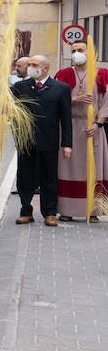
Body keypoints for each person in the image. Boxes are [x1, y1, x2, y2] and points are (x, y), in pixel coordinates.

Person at [12, 55, 74, 226]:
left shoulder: (60, 88)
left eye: (34, 65)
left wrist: (67, 144)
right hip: (26, 142)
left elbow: (66, 118)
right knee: (25, 178)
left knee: (49, 178)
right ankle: (26, 211)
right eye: (30, 64)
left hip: (49, 141)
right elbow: (14, 114)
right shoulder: (20, 87)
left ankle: (50, 213)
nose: (30, 67)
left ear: (46, 68)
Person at [53, 41, 108, 222]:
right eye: (73, 50)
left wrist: (99, 123)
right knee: (68, 169)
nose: (77, 53)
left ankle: (93, 211)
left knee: (94, 168)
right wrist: (75, 99)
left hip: (93, 129)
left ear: (89, 52)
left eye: (80, 50)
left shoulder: (102, 74)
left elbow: (107, 101)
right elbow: (55, 98)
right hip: (69, 127)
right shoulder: (63, 74)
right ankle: (66, 210)